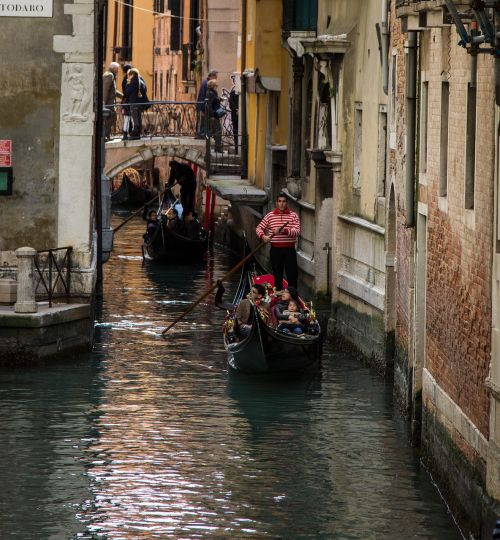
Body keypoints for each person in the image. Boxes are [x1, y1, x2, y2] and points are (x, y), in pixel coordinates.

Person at [256, 192, 301, 291]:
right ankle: (278, 299)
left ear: (286, 203)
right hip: (275, 250)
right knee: (277, 276)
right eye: (279, 201)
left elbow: (297, 232)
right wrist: (263, 236)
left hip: (289, 250)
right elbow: (259, 228)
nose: (282, 204)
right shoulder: (270, 216)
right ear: (276, 202)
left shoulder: (293, 216)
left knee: (292, 275)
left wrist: (284, 230)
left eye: (284, 201)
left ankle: (293, 298)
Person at [103, 62, 122, 140]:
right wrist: (103, 102)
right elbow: (105, 89)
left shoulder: (111, 75)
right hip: (108, 103)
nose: (118, 70)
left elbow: (114, 91)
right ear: (114, 68)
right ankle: (104, 135)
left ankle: (107, 136)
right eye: (117, 69)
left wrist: (123, 96)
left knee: (111, 118)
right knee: (112, 117)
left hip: (110, 102)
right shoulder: (109, 75)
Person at [196, 69, 218, 138]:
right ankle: (202, 135)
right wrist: (202, 109)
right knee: (204, 122)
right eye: (215, 77)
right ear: (212, 76)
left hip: (206, 106)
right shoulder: (206, 83)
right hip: (205, 107)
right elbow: (203, 96)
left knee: (205, 123)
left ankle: (204, 135)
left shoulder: (206, 82)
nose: (216, 79)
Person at [122, 67, 142, 140]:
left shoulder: (133, 81)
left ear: (132, 74)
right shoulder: (139, 80)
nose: (128, 76)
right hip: (138, 102)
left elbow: (127, 92)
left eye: (129, 75)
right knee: (136, 118)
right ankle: (136, 133)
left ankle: (135, 134)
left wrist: (127, 85)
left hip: (133, 102)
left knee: (134, 119)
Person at [206, 79, 223, 152]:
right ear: (213, 86)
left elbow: (214, 100)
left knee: (213, 132)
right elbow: (209, 105)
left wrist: (219, 99)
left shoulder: (213, 92)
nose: (217, 86)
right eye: (216, 85)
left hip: (215, 115)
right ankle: (217, 149)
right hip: (214, 115)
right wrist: (212, 116)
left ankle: (216, 148)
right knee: (218, 131)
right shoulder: (210, 93)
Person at [228, 74, 239, 152]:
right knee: (235, 131)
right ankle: (236, 147)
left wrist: (237, 110)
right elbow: (231, 103)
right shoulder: (233, 92)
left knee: (236, 131)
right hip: (235, 115)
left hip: (235, 114)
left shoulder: (234, 92)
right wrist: (236, 110)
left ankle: (237, 147)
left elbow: (231, 103)